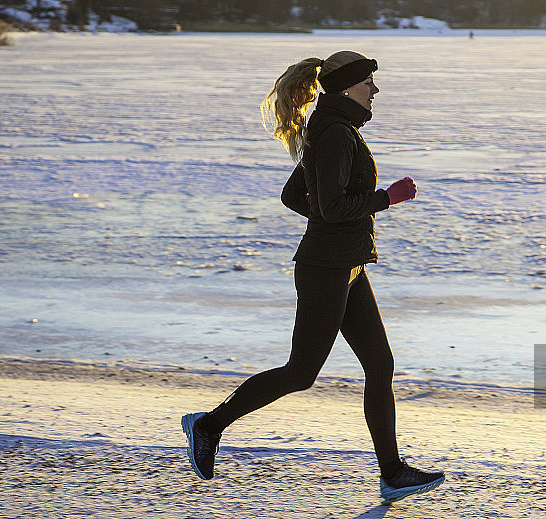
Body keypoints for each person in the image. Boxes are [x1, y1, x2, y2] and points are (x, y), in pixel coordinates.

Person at [181, 50, 444, 505]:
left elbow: (293, 196)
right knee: (301, 372)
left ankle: (392, 473)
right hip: (327, 268)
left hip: (346, 264)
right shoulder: (337, 134)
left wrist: (330, 220)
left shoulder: (329, 129)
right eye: (369, 84)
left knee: (380, 365)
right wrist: (387, 198)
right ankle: (207, 425)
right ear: (347, 89)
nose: (375, 91)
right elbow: (332, 206)